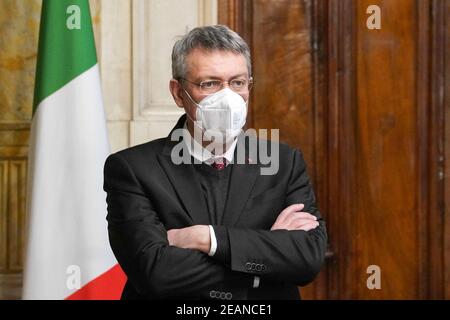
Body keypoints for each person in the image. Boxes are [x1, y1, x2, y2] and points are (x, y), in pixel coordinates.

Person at [103, 25, 327, 300]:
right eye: (209, 83)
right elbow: (156, 275)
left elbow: (307, 259)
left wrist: (205, 238)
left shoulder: (283, 162)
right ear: (178, 93)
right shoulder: (133, 169)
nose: (227, 98)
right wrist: (264, 262)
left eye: (237, 83)